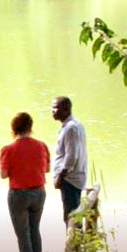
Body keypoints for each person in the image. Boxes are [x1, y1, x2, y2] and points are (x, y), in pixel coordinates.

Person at [0, 112, 50, 252]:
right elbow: (47, 169)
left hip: (18, 194)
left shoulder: (8, 149)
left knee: (23, 234)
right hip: (39, 192)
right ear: (30, 127)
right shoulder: (42, 146)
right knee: (35, 230)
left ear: (14, 129)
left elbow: (4, 174)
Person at [51, 96, 88, 227]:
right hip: (74, 178)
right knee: (73, 215)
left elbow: (72, 156)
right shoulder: (74, 125)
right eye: (52, 107)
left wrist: (61, 176)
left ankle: (74, 246)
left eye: (56, 107)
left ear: (66, 109)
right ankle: (78, 245)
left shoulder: (71, 128)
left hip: (70, 180)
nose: (53, 111)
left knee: (71, 218)